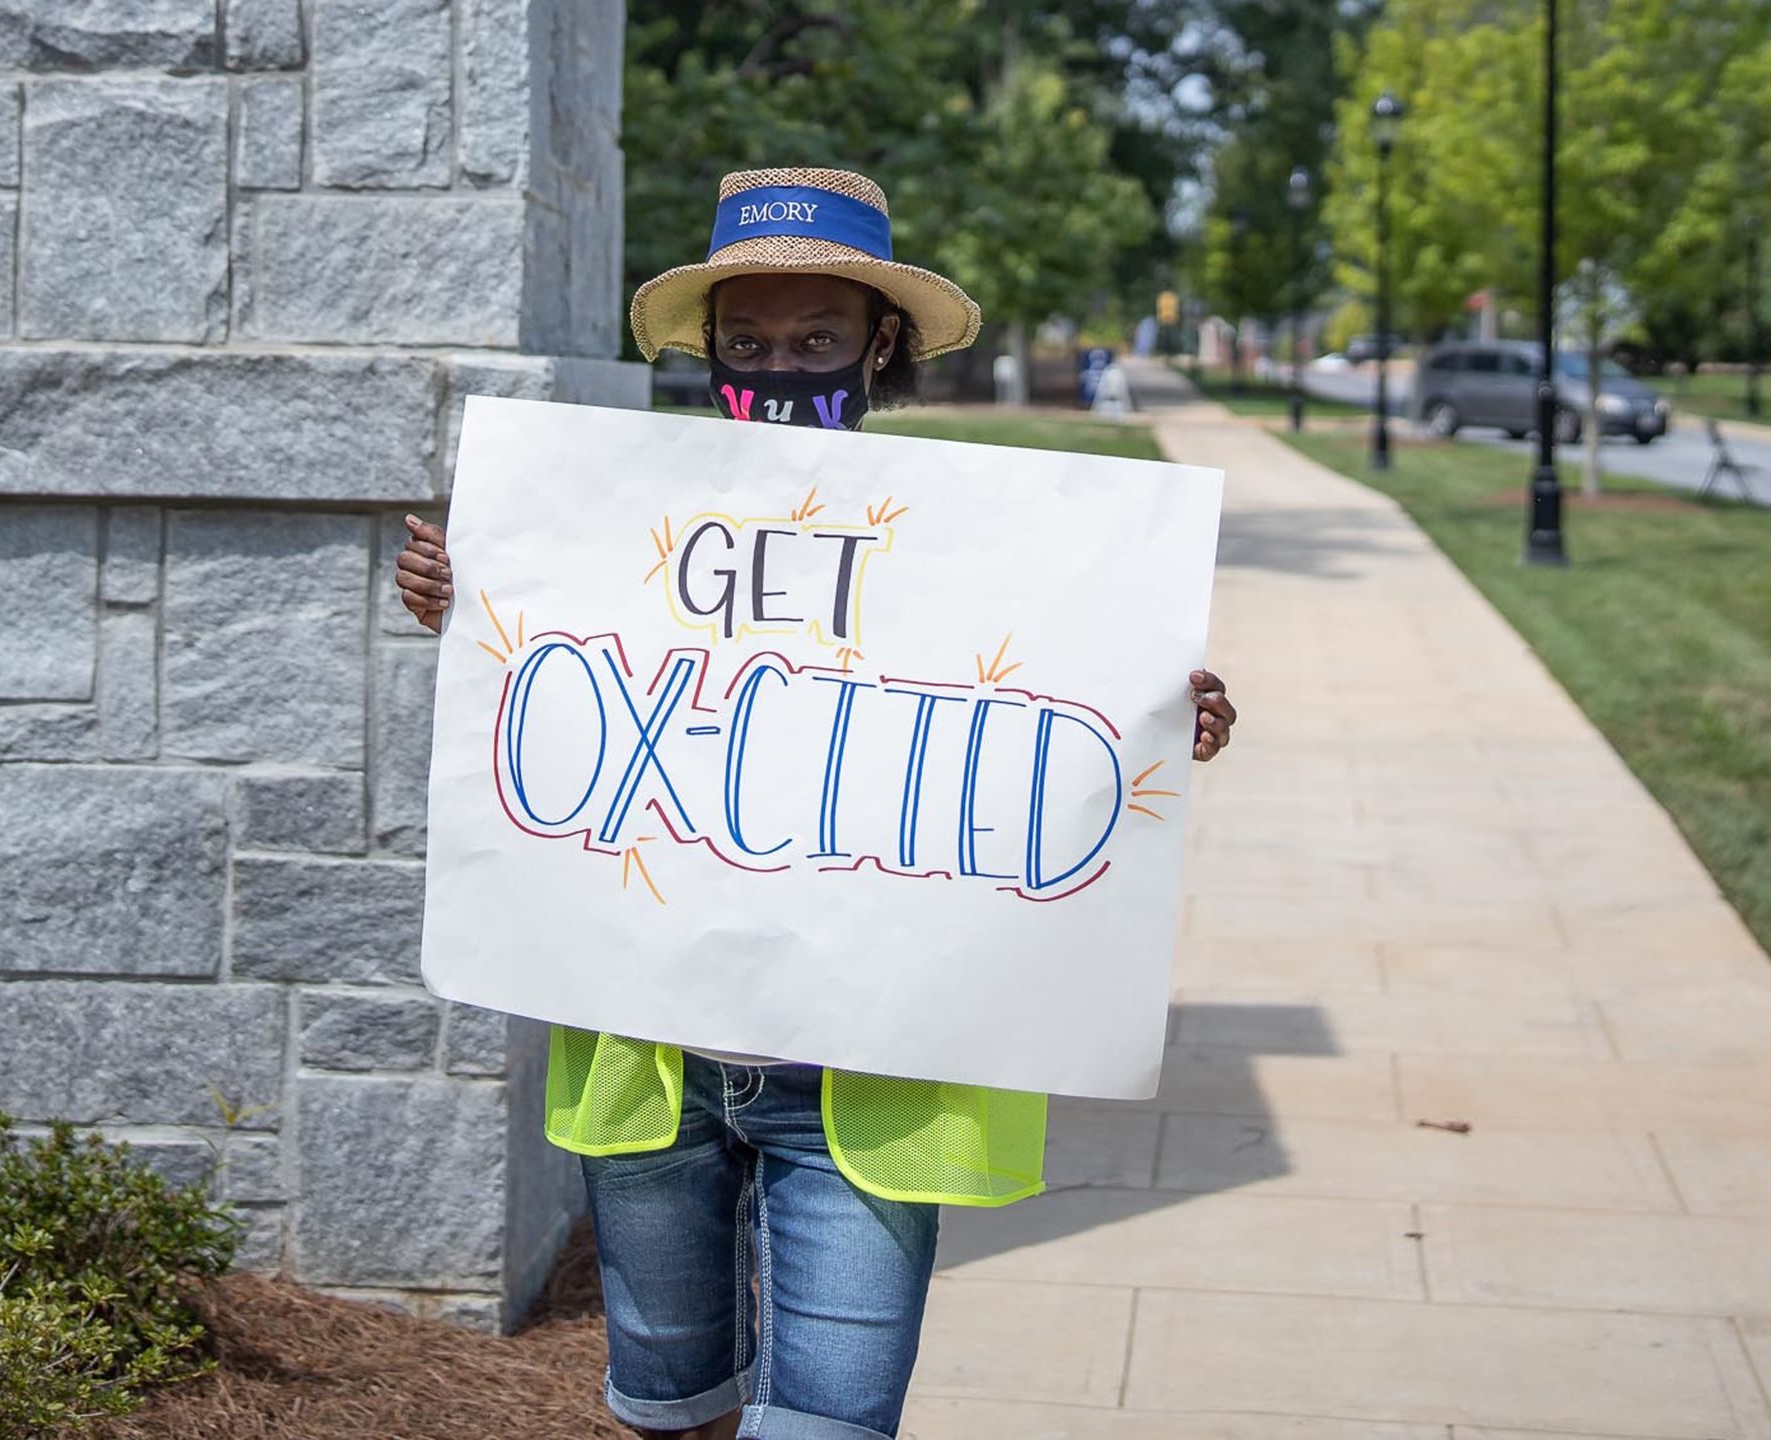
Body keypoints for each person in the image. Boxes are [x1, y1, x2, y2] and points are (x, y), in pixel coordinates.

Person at [393, 167, 1236, 1440]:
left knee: (830, 1422)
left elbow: (1046, 713)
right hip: (656, 1059)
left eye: (817, 340)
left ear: (877, 345)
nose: (779, 366)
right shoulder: (621, 519)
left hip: (866, 1080)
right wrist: (469, 599)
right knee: (669, 1409)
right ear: (712, 348)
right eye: (748, 342)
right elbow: (555, 678)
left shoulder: (979, 542)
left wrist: (1161, 715)